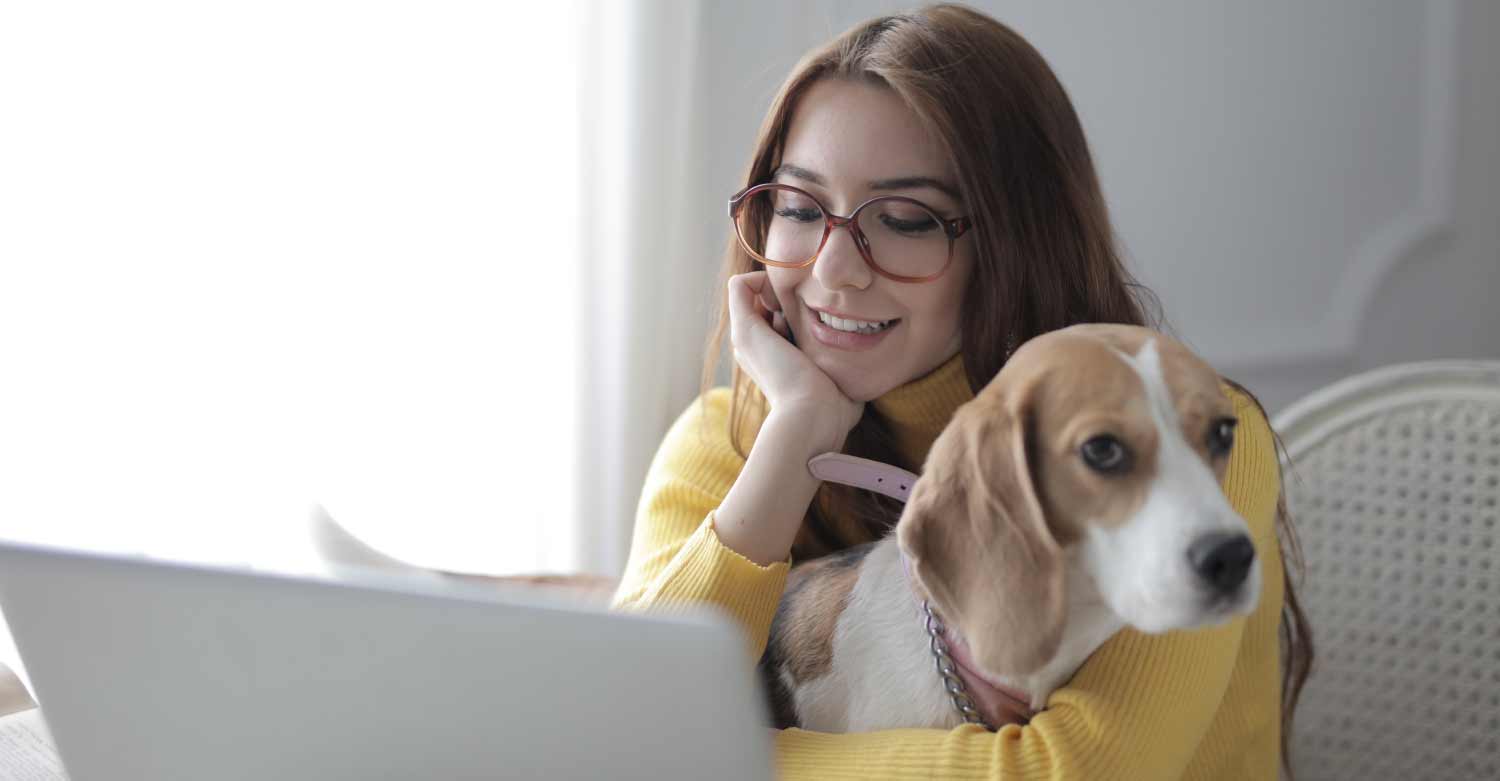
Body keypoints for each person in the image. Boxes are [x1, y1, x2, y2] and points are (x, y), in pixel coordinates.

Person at [610, 5, 1312, 779]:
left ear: (1016, 242)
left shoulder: (1201, 437)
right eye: (801, 208)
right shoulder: (729, 439)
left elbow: (1071, 772)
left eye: (906, 219)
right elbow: (619, 721)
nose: (834, 268)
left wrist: (715, 759)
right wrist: (798, 433)